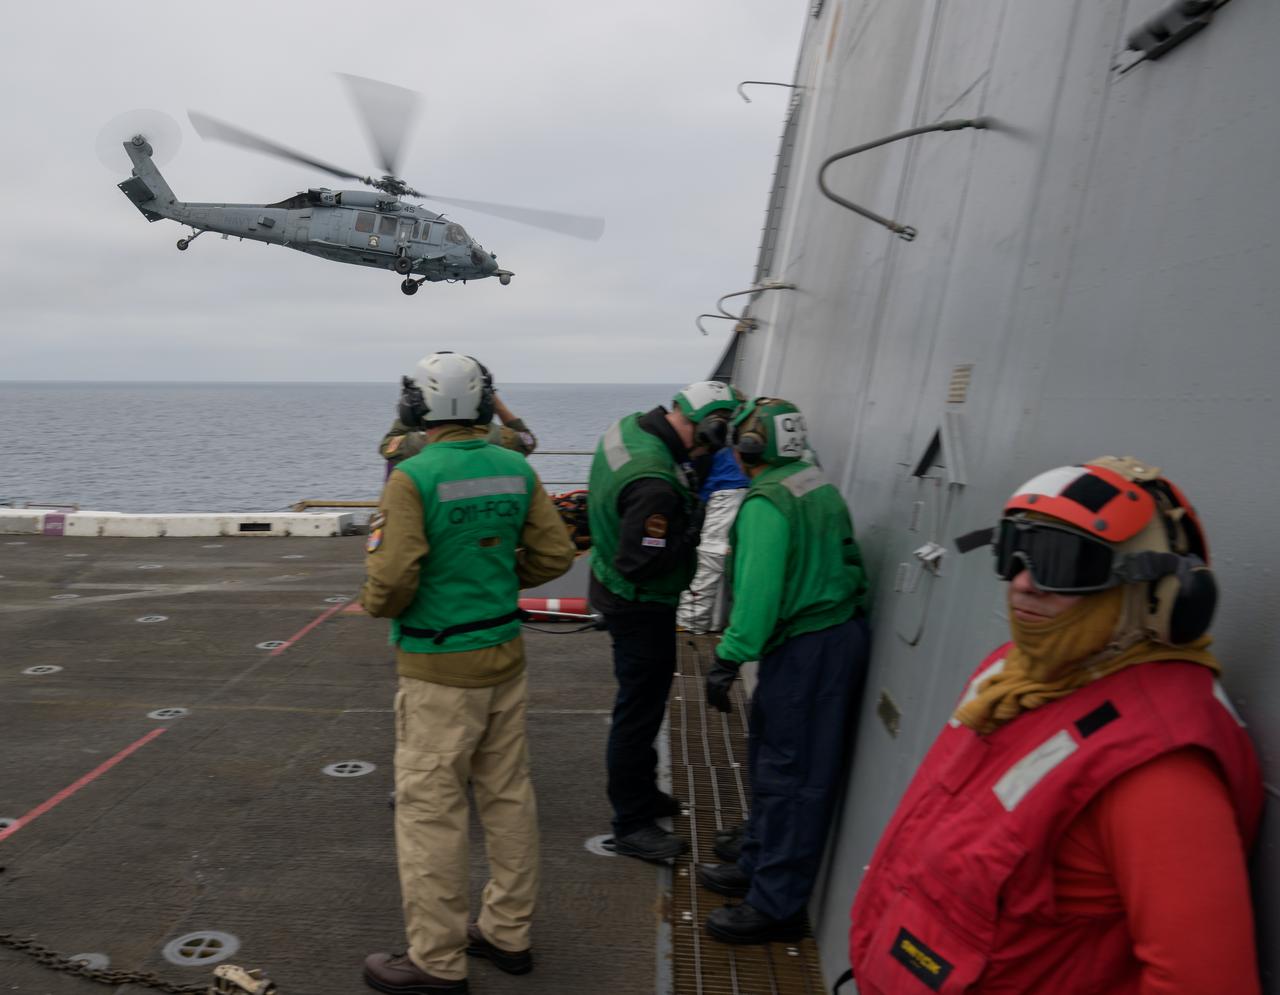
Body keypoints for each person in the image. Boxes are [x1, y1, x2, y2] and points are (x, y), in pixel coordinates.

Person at [844, 456, 1263, 995]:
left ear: (1155, 594)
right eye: (1014, 549)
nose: (1023, 583)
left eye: (1060, 562)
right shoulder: (1011, 680)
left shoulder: (1161, 774)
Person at [360, 352, 576, 995]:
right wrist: (497, 580)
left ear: (419, 406)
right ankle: (508, 933)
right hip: (504, 656)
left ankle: (436, 960)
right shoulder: (515, 465)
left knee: (432, 814)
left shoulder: (412, 475)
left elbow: (391, 583)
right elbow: (555, 553)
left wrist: (378, 602)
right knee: (508, 797)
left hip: (436, 669)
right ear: (483, 404)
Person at [698, 397, 870, 944]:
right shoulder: (813, 482)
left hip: (807, 650)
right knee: (775, 766)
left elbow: (758, 593)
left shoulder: (767, 504)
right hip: (827, 637)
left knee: (792, 779)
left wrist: (728, 657)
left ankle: (776, 905)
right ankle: (756, 862)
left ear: (751, 448)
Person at [587, 380, 742, 863]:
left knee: (645, 704)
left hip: (610, 582)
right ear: (710, 427)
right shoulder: (657, 483)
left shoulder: (630, 428)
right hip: (640, 602)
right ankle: (632, 821)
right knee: (638, 711)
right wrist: (691, 529)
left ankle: (643, 791)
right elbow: (642, 561)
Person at [379, 372, 537, 471]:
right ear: (484, 400)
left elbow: (388, 445)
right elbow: (528, 440)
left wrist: (413, 405)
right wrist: (495, 402)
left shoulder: (418, 445)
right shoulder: (504, 439)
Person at [676, 444, 750, 634]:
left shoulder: (710, 454)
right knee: (728, 562)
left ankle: (689, 623)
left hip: (724, 495)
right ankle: (717, 622)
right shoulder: (729, 448)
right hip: (741, 492)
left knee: (709, 558)